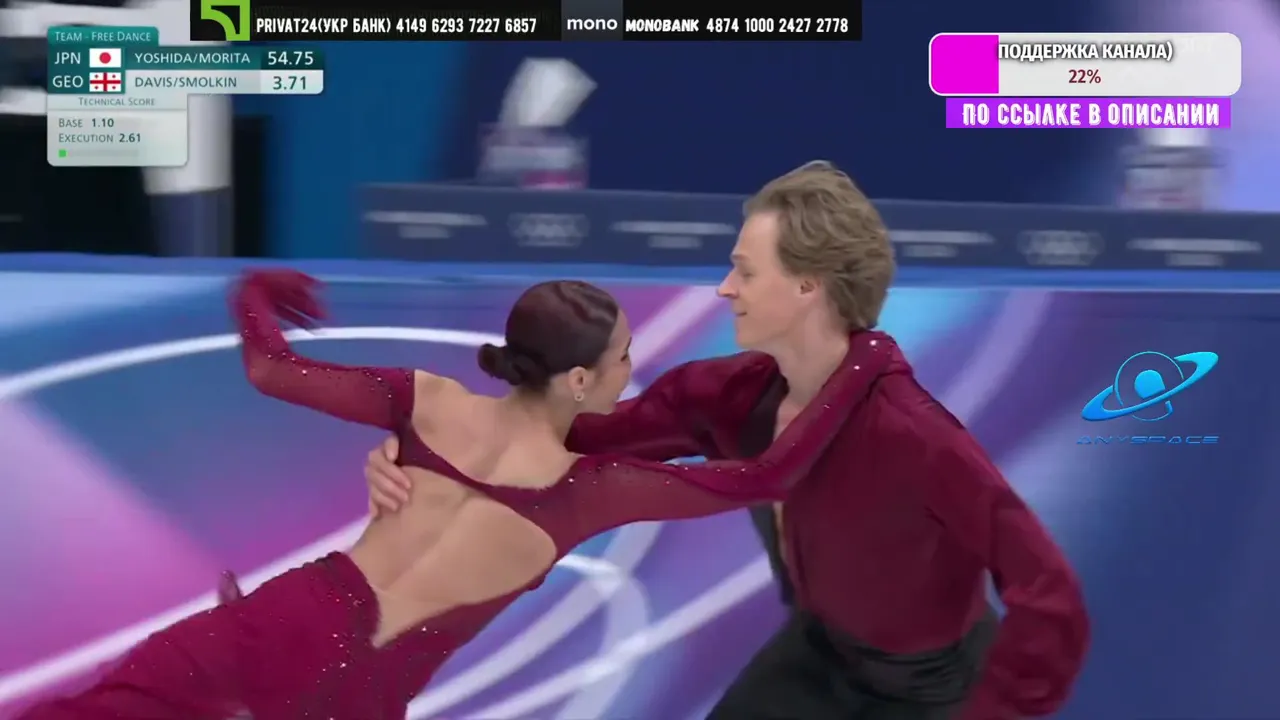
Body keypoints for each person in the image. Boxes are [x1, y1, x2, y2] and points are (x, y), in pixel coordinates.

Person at [366, 161, 1091, 719]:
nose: (724, 288)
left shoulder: (913, 436)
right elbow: (580, 436)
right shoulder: (726, 395)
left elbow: (1049, 592)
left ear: (808, 286)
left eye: (745, 270)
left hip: (936, 687)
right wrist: (434, 448)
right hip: (821, 654)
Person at [18, 269, 896, 720]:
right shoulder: (596, 493)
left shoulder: (428, 402)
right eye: (623, 357)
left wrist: (252, 294)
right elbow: (767, 477)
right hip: (359, 691)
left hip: (286, 621)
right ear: (580, 378)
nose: (631, 369)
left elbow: (270, 369)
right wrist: (861, 367)